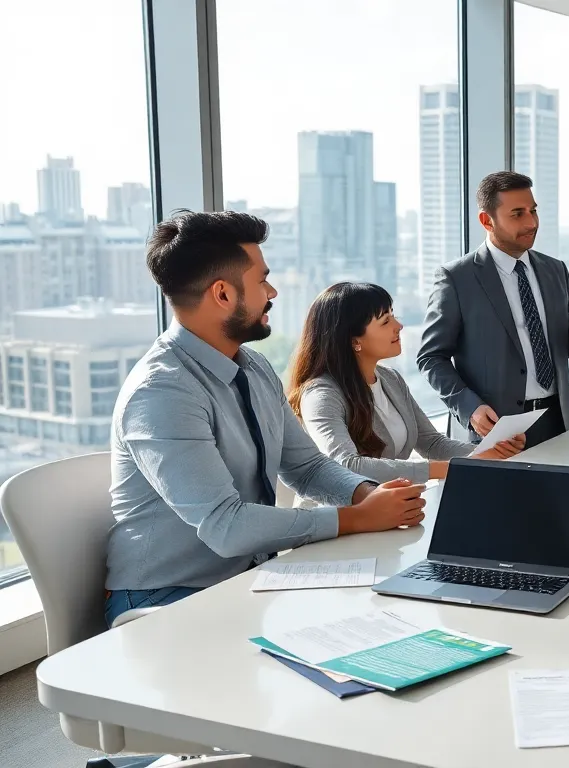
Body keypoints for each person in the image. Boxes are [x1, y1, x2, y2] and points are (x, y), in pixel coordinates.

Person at [105, 211, 427, 628]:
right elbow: (226, 525)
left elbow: (306, 467)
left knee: (385, 618)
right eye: (262, 281)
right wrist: (356, 518)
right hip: (167, 596)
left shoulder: (253, 367)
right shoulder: (162, 392)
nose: (272, 292)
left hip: (249, 576)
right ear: (223, 294)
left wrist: (367, 495)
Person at [417, 170, 569, 448]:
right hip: (496, 430)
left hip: (557, 422)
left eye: (533, 211)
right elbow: (431, 357)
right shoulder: (457, 278)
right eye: (517, 214)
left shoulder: (555, 270)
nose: (531, 222)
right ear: (486, 220)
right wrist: (469, 408)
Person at [288, 281, 525, 485]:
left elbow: (432, 443)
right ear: (353, 341)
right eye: (385, 321)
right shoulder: (321, 396)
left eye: (393, 316)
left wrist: (493, 451)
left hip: (394, 507)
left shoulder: (391, 379)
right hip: (341, 516)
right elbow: (348, 465)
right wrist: (454, 468)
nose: (398, 326)